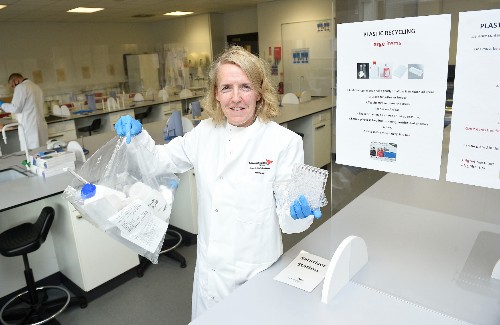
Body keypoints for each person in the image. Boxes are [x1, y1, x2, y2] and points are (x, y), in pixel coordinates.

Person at [114, 46, 321, 320]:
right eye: (226, 88)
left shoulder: (283, 142)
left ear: (259, 91)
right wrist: (138, 138)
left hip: (254, 273)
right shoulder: (204, 133)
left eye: (245, 86)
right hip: (210, 273)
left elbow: (290, 218)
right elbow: (160, 161)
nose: (236, 98)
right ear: (215, 93)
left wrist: (299, 211)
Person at [0, 73, 48, 150]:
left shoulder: (21, 87)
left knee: (31, 154)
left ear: (16, 80)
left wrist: (1, 104)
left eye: (13, 86)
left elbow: (15, 108)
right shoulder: (36, 87)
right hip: (40, 125)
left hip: (29, 127)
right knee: (43, 152)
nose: (14, 88)